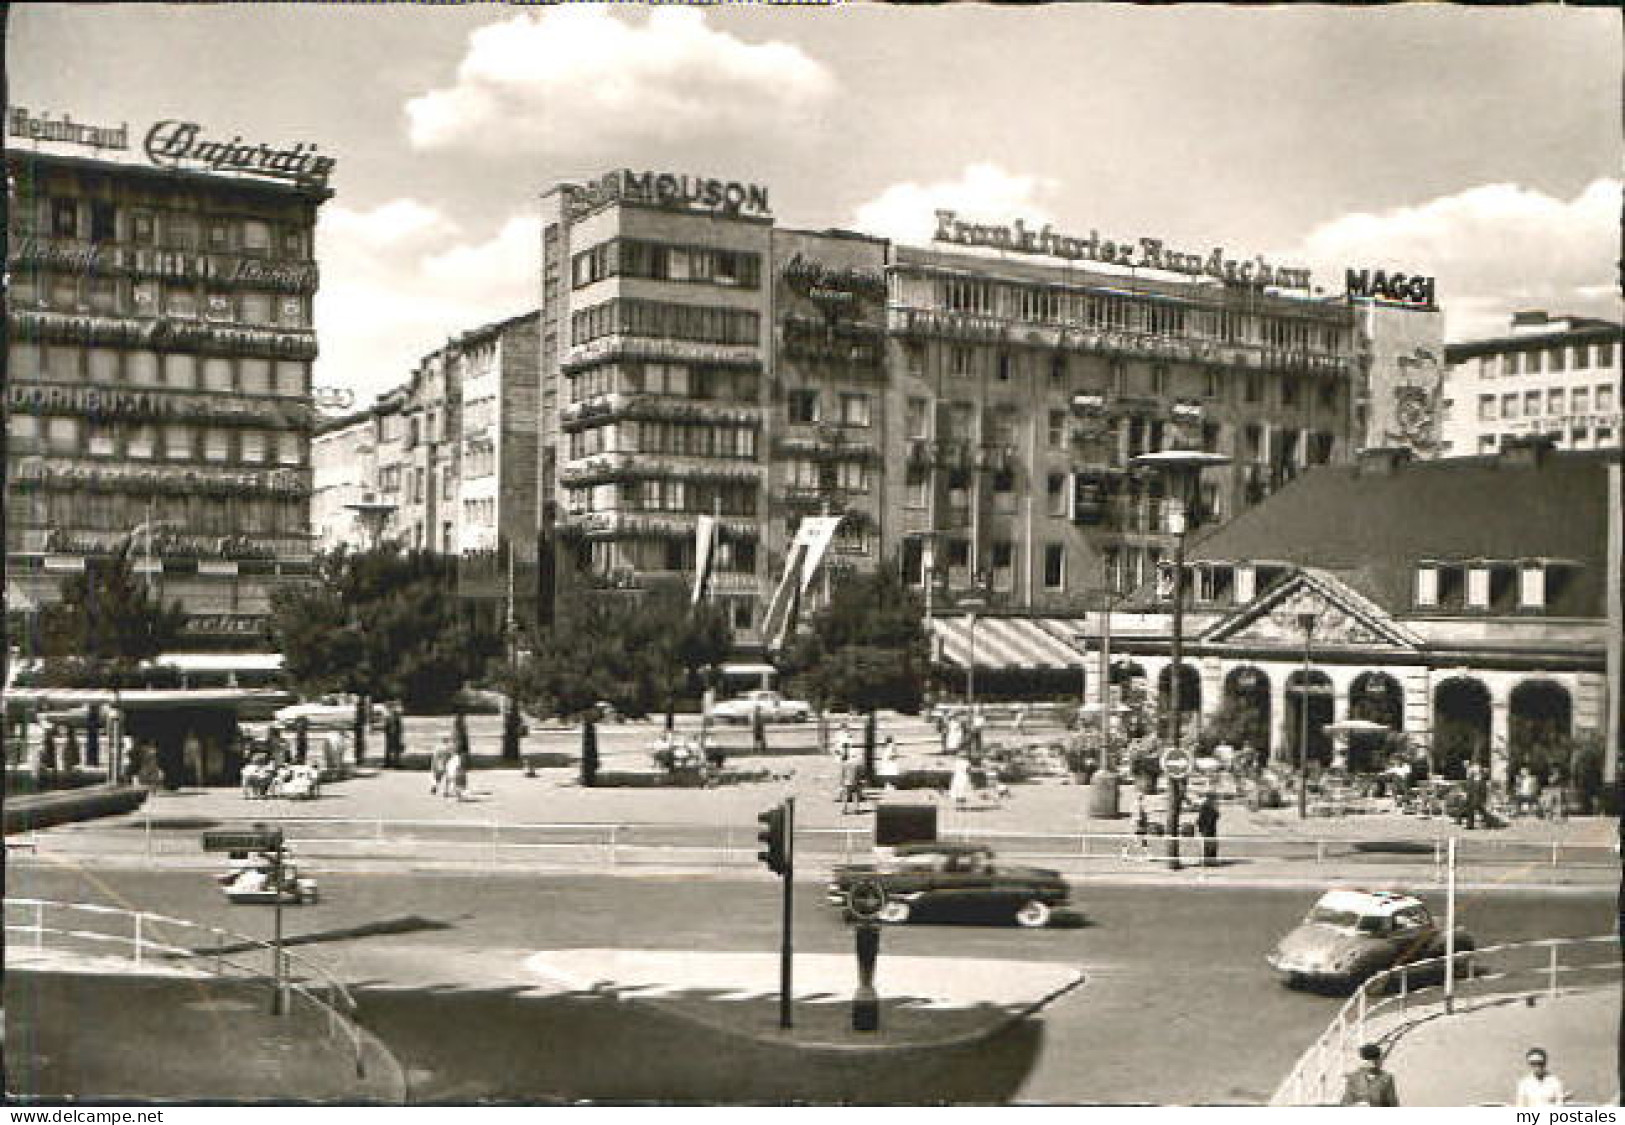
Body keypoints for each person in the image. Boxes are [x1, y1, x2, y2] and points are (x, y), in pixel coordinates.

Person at [1196, 792, 1220, 866]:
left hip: (1207, 829)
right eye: (1215, 798)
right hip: (1208, 829)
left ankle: (1207, 861)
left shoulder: (1206, 805)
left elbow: (1200, 819)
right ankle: (1208, 862)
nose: (1216, 800)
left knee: (1208, 845)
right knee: (1209, 845)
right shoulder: (1209, 806)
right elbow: (1216, 816)